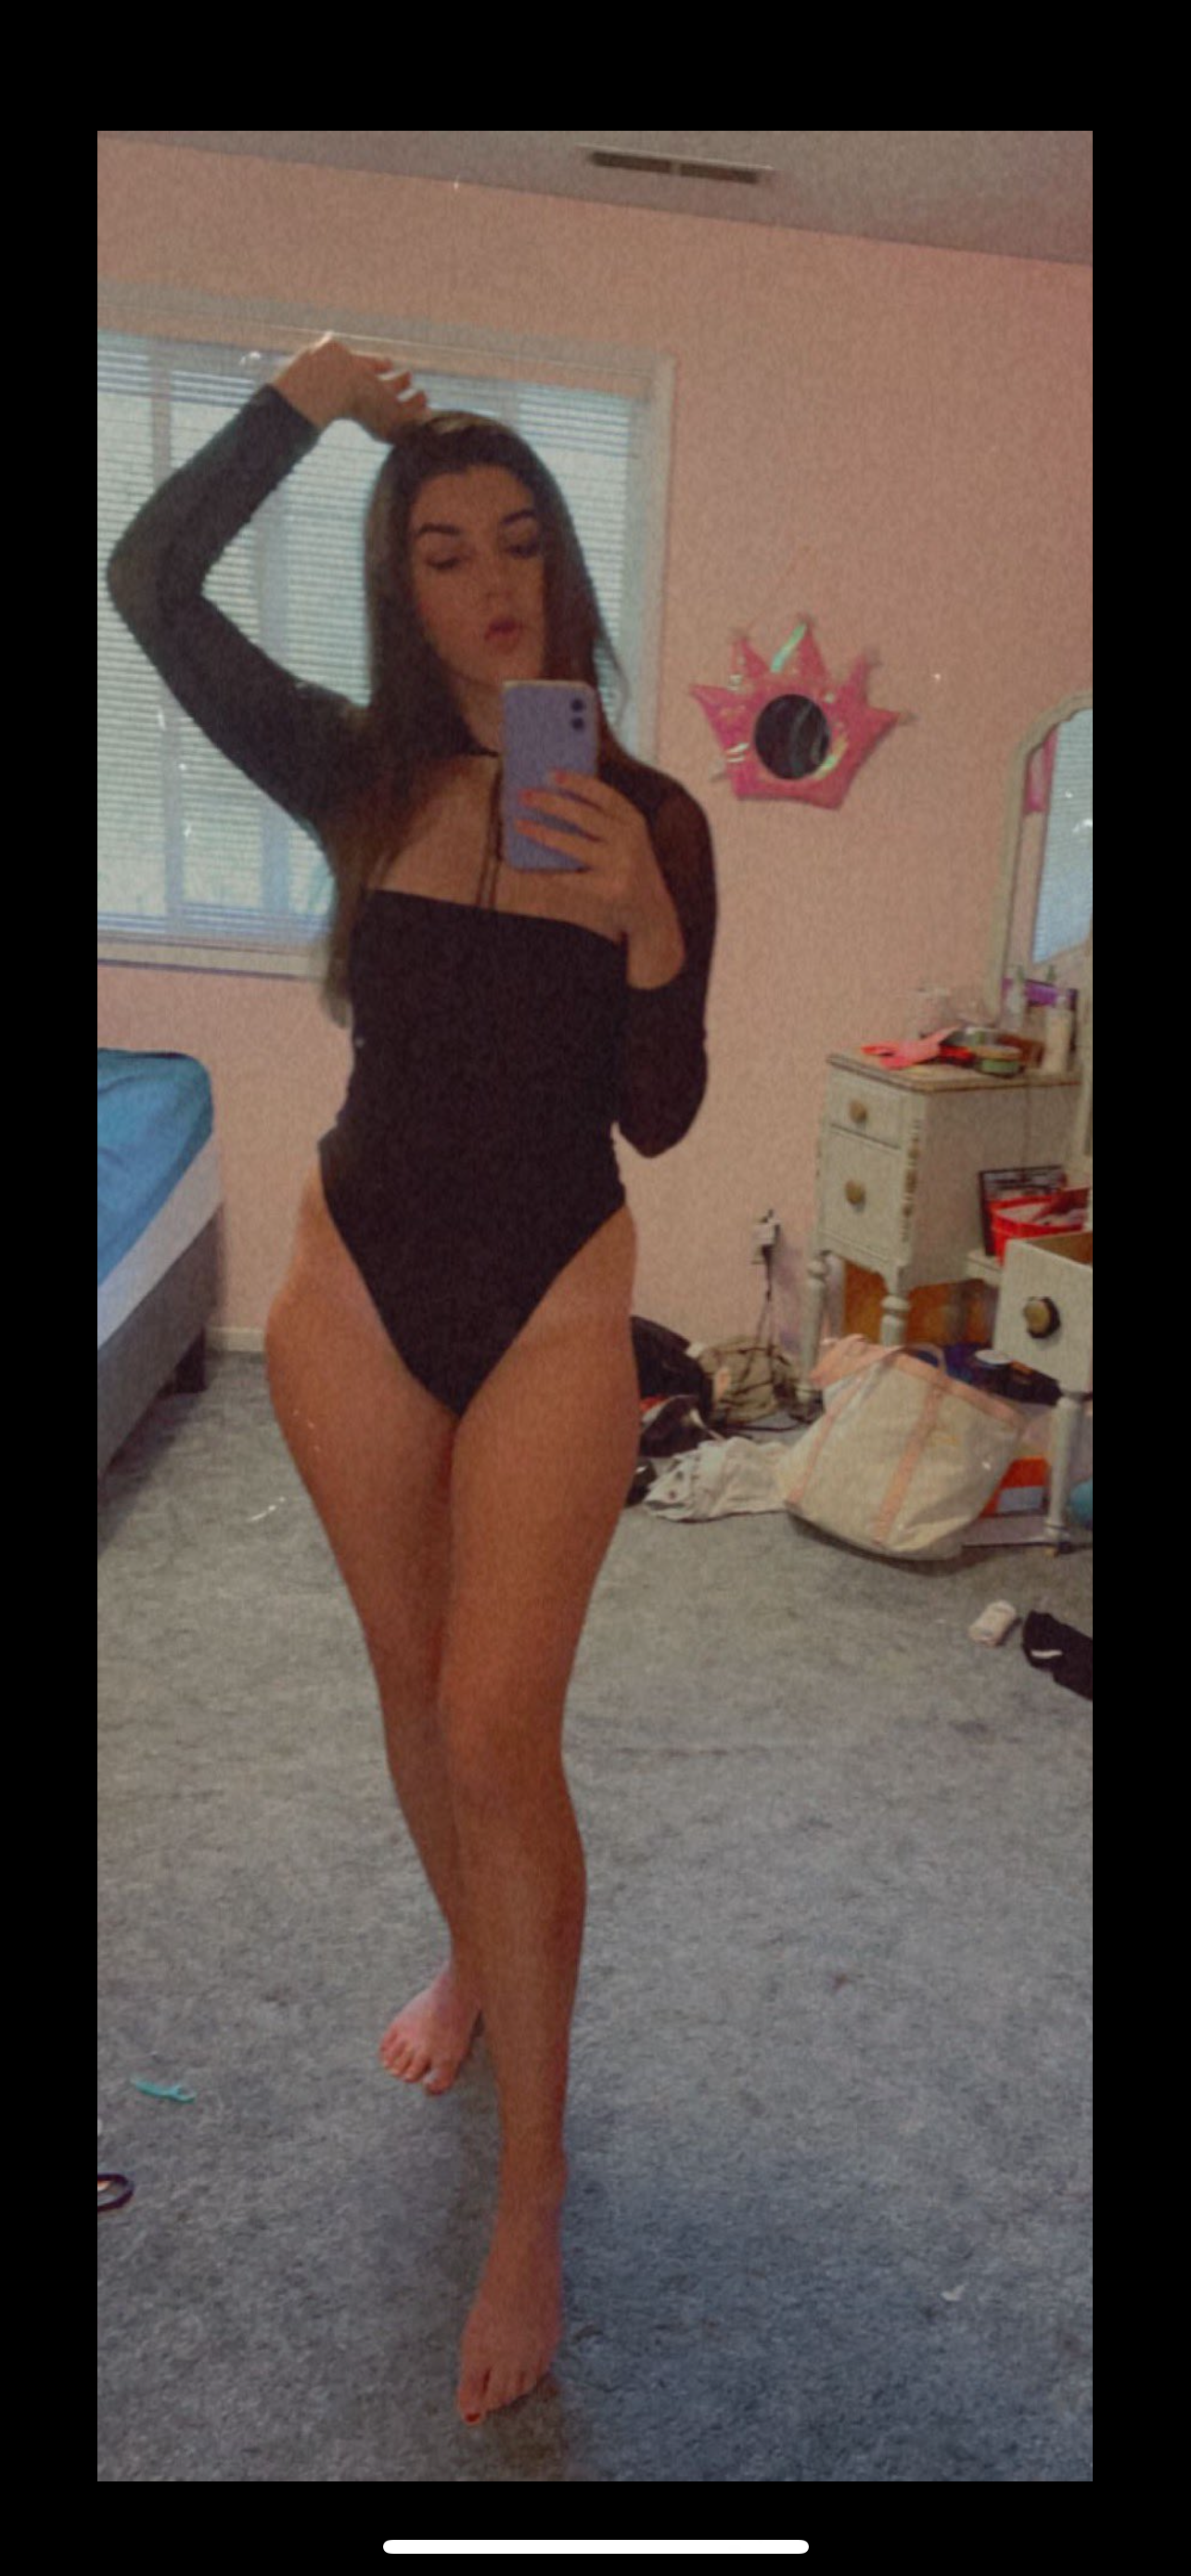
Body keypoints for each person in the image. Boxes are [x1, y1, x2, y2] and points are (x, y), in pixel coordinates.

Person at [105, 332, 717, 2427]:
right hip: (356, 1281)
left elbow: (660, 1114)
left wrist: (645, 927)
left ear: (563, 565)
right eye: (442, 552)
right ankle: (467, 1952)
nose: (490, 584)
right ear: (403, 584)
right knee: (407, 1679)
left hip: (553, 1290)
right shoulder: (353, 770)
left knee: (497, 1721)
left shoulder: (649, 815)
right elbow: (147, 584)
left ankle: (531, 2194)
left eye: (519, 542)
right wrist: (290, 402)